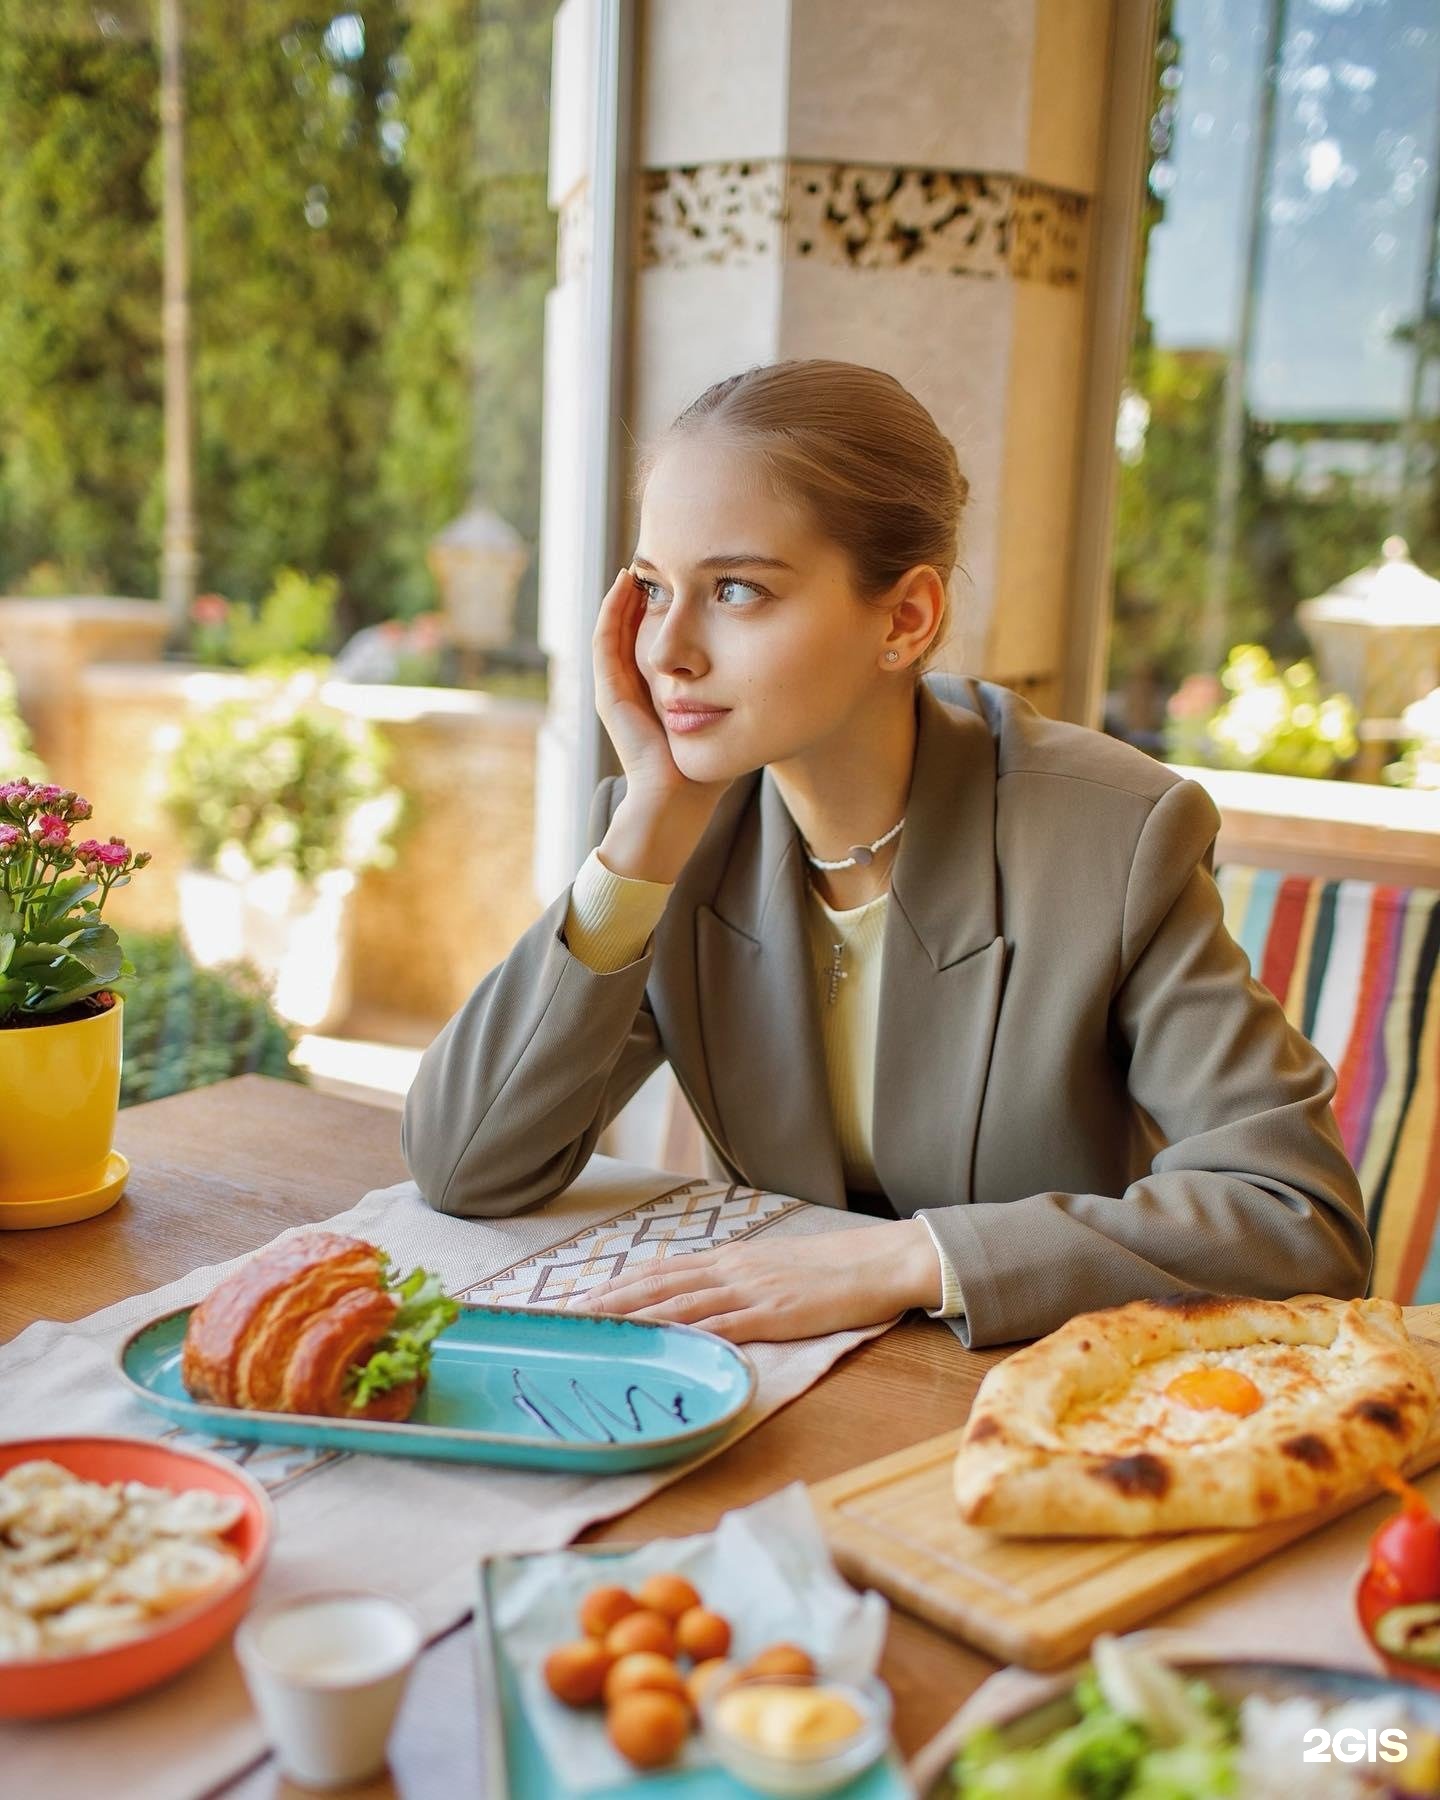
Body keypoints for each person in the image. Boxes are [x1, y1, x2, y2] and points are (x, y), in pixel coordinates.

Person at [400, 358, 1370, 1348]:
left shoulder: (1114, 837)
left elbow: (1298, 1218)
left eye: (736, 589)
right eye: (653, 588)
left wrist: (916, 1257)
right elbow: (467, 1163)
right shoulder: (678, 831)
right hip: (772, 1394)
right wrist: (642, 831)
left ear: (905, 618)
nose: (667, 651)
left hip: (1030, 1401)